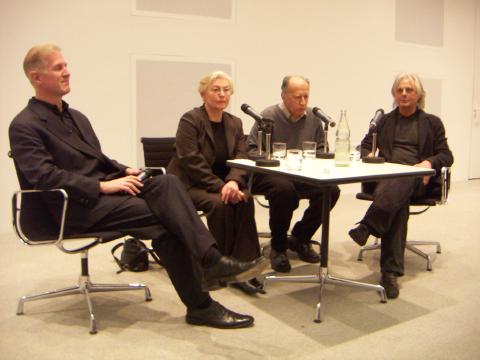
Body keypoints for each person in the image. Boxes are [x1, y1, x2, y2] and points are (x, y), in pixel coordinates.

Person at [9, 44, 267, 329]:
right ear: (36, 77)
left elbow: (98, 159)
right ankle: (205, 291)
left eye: (66, 65)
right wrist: (102, 186)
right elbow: (43, 176)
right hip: (71, 207)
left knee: (167, 182)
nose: (67, 72)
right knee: (166, 220)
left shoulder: (75, 117)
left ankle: (210, 270)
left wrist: (125, 171)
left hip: (102, 196)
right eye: (58, 67)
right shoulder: (25, 125)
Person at [348, 73, 454, 299]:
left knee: (404, 177)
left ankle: (368, 225)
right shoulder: (384, 121)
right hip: (386, 179)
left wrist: (428, 162)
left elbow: (446, 155)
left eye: (409, 90)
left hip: (417, 178)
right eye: (400, 90)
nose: (404, 94)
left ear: (419, 95)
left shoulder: (432, 123)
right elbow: (364, 146)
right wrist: (370, 157)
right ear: (394, 94)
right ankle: (389, 273)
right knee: (398, 205)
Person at [168, 71, 264, 295]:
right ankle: (219, 265)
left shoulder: (235, 122)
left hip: (223, 183)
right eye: (216, 89)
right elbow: (191, 161)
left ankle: (245, 267)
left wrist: (232, 181)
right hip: (189, 184)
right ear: (203, 94)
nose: (222, 94)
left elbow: (242, 157)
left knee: (244, 200)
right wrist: (222, 186)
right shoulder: (190, 120)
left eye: (226, 90)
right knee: (220, 204)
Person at [246, 75, 341, 273]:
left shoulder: (314, 118)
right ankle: (279, 247)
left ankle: (300, 238)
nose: (303, 102)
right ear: (284, 95)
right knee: (284, 189)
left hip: (302, 173)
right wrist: (275, 161)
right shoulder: (267, 116)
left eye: (306, 96)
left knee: (331, 190)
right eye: (298, 97)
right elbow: (251, 148)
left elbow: (321, 149)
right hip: (272, 174)